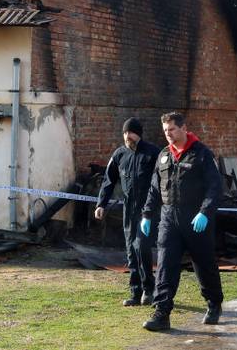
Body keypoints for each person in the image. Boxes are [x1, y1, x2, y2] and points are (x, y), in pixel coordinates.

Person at [139, 112, 224, 332]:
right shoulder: (164, 155)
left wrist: (205, 212)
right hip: (169, 218)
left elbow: (215, 187)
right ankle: (162, 313)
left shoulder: (202, 154)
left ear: (184, 128)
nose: (168, 134)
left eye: (172, 130)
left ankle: (214, 303)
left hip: (196, 219)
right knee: (166, 264)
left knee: (204, 265)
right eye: (165, 131)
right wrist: (147, 214)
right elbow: (154, 188)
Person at [94, 117, 161, 306]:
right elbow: (108, 180)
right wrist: (101, 204)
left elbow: (160, 181)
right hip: (128, 209)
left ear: (138, 133)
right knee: (131, 250)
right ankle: (135, 291)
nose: (127, 136)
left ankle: (149, 289)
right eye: (124, 133)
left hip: (147, 209)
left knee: (142, 247)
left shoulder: (152, 153)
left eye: (130, 132)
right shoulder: (119, 155)